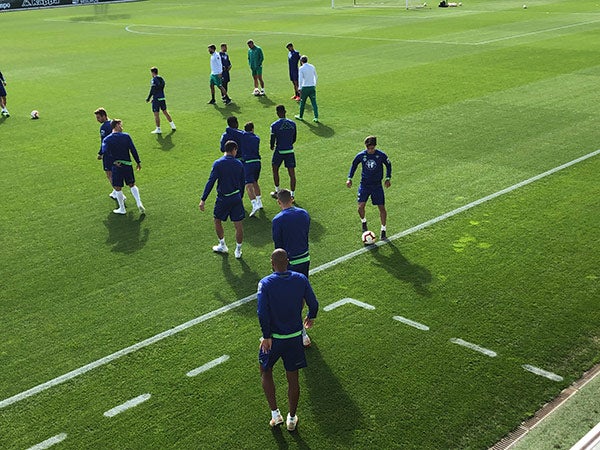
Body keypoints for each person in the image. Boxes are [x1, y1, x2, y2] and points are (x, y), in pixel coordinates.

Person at [257, 248, 318, 431]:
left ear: (272, 263)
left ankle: (276, 415)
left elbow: (262, 312)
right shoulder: (300, 279)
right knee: (293, 378)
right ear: (288, 261)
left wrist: (266, 336)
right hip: (294, 338)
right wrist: (311, 316)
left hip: (274, 339)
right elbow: (313, 303)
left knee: (265, 370)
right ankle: (292, 418)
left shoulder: (265, 283)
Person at [272, 189, 312, 347]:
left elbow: (278, 247)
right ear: (292, 199)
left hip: (289, 262)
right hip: (305, 258)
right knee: (301, 293)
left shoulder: (278, 219)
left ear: (278, 202)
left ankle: (296, 330)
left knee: (285, 296)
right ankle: (300, 329)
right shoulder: (304, 214)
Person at [199, 140, 245, 259]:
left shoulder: (218, 163)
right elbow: (242, 183)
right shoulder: (239, 164)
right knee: (238, 225)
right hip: (236, 197)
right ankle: (238, 250)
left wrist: (203, 199)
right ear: (234, 149)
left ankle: (222, 245)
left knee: (217, 220)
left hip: (223, 199)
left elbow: (211, 181)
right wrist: (241, 196)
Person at [346, 135, 392, 240]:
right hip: (364, 185)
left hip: (377, 186)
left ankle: (383, 230)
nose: (370, 150)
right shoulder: (361, 156)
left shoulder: (381, 155)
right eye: (368, 148)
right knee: (360, 207)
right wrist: (349, 178)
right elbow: (354, 165)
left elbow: (388, 165)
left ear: (375, 146)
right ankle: (364, 222)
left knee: (382, 208)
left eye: (372, 148)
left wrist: (388, 178)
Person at [100, 119, 145, 215]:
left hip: (117, 166)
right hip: (128, 164)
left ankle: (122, 208)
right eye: (120, 125)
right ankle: (138, 202)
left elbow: (105, 151)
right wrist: (138, 162)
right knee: (132, 184)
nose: (122, 127)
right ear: (115, 126)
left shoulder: (107, 139)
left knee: (117, 187)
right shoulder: (126, 136)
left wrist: (113, 161)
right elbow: (133, 149)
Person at [269, 105, 297, 199]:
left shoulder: (274, 125)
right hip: (290, 150)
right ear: (285, 112)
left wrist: (272, 146)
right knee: (292, 174)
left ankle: (277, 191)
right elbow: (294, 138)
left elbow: (273, 137)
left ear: (277, 113)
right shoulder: (293, 124)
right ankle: (292, 195)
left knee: (275, 169)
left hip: (279, 150)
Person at [94, 107, 121, 201]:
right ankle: (115, 191)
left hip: (108, 154)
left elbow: (104, 142)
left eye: (98, 118)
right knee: (115, 172)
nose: (97, 120)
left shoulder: (104, 127)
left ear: (104, 116)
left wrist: (100, 153)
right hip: (118, 152)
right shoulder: (113, 124)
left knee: (109, 174)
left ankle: (119, 193)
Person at [240, 121, 263, 217]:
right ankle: (259, 201)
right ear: (252, 129)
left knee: (248, 185)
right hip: (257, 162)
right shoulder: (257, 138)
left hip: (248, 163)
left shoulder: (243, 137)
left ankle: (254, 204)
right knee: (255, 182)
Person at [145, 66, 176, 134]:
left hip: (156, 99)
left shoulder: (153, 79)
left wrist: (149, 98)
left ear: (152, 72)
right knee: (165, 112)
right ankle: (173, 125)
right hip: (162, 97)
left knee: (156, 114)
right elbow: (161, 86)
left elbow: (153, 89)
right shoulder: (161, 78)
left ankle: (158, 129)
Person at [295, 55, 319, 123]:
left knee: (302, 103)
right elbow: (316, 76)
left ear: (301, 61)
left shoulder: (301, 68)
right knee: (314, 102)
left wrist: (299, 88)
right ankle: (316, 117)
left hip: (305, 87)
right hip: (312, 87)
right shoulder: (312, 66)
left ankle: (300, 116)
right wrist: (314, 84)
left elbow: (300, 79)